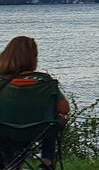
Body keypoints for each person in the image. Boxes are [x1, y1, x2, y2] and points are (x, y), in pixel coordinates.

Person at [0, 36, 69, 169]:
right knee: (55, 119)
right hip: (39, 131)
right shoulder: (45, 82)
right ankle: (47, 161)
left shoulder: (1, 83)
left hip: (4, 132)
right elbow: (64, 109)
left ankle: (10, 163)